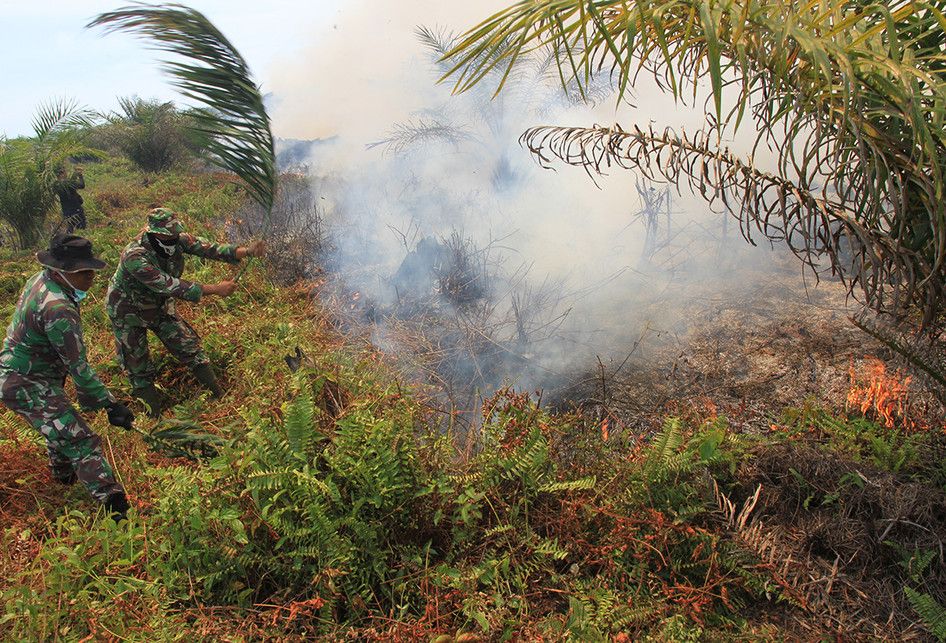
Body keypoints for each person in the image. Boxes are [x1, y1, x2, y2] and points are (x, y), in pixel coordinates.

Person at [0, 235, 135, 520]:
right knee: (81, 440)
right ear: (63, 272)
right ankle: (117, 510)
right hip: (25, 382)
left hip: (34, 374)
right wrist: (111, 405)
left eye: (92, 271)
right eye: (84, 273)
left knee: (59, 424)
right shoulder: (58, 309)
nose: (91, 278)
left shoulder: (43, 279)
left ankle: (63, 479)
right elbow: (80, 369)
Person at [107, 207, 264, 416]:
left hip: (160, 305)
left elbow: (208, 248)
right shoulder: (135, 256)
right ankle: (153, 417)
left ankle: (220, 397)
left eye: (174, 233)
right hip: (128, 311)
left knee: (189, 346)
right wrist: (216, 289)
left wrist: (246, 251)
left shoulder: (177, 239)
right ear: (154, 233)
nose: (173, 238)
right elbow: (170, 285)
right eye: (168, 234)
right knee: (137, 365)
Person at [54, 165, 87, 233]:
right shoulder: (68, 183)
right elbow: (82, 185)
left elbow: (71, 185)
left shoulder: (56, 184)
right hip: (76, 209)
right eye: (65, 172)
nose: (66, 173)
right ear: (62, 174)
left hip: (66, 210)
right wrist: (79, 175)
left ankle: (70, 241)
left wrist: (75, 175)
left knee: (70, 228)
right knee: (81, 227)